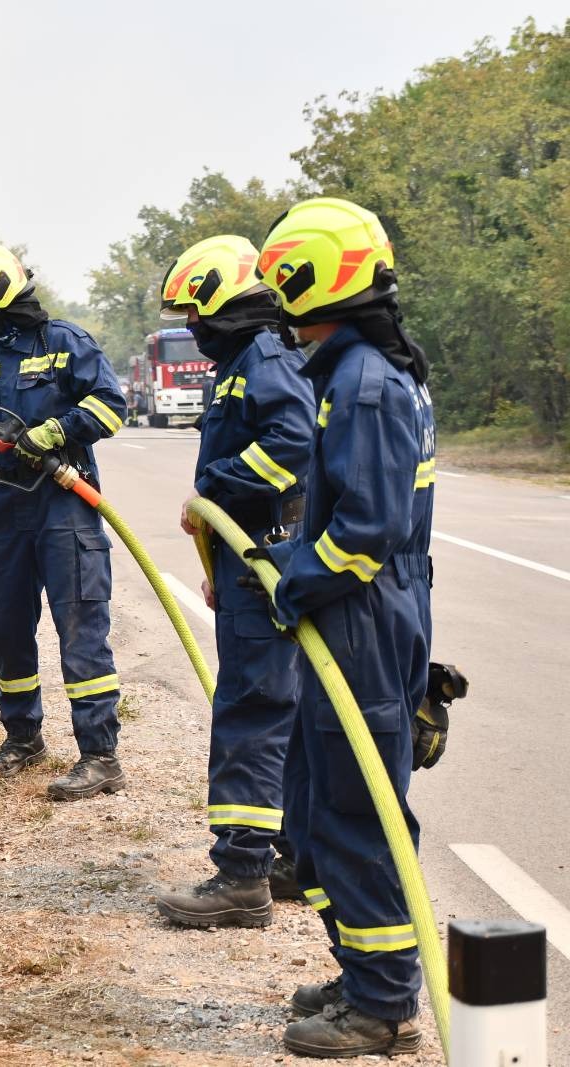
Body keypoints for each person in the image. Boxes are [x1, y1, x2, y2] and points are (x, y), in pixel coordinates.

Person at [251, 198, 436, 1057]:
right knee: (325, 806)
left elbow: (366, 531)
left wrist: (294, 578)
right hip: (362, 615)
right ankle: (364, 972)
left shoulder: (362, 383)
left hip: (359, 620)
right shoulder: (357, 369)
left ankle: (384, 1003)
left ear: (310, 278)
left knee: (357, 812)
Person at [0, 243, 129, 799]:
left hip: (65, 506)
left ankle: (100, 756)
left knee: (80, 629)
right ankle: (22, 739)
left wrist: (57, 432)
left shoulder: (65, 343)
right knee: (7, 625)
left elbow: (112, 404)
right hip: (7, 508)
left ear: (2, 296)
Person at [150, 236, 314, 929]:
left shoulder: (265, 363)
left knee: (250, 712)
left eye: (196, 313)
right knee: (286, 713)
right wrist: (218, 562)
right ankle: (292, 857)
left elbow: (292, 445)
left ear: (227, 302)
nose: (191, 328)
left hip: (267, 564)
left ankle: (243, 873)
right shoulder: (241, 365)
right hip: (249, 565)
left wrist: (213, 490)